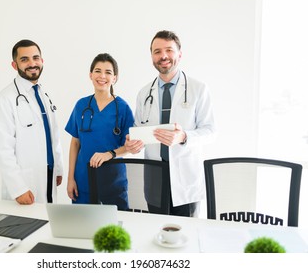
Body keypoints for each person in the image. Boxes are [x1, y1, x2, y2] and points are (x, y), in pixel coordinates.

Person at [125, 30, 216, 217]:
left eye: (169, 50)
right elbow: (139, 130)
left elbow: (210, 131)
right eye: (157, 51)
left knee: (186, 236)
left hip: (185, 175)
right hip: (155, 175)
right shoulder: (144, 93)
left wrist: (183, 136)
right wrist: (132, 144)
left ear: (179, 54)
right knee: (155, 231)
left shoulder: (198, 89)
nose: (163, 56)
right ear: (151, 56)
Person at [0, 39, 63, 205]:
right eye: (24, 59)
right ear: (14, 65)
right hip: (25, 183)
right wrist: (18, 188)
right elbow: (3, 150)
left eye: (36, 58)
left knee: (47, 226)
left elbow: (54, 136)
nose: (32, 63)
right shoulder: (5, 100)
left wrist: (58, 168)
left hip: (48, 175)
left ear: (42, 61)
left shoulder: (43, 95)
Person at [65, 53, 134, 210]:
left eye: (108, 72)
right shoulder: (81, 105)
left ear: (114, 78)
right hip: (83, 180)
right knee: (83, 229)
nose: (102, 76)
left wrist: (109, 153)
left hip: (113, 182)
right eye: (97, 71)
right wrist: (71, 179)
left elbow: (129, 147)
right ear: (90, 75)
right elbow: (75, 143)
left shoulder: (123, 108)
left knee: (114, 231)